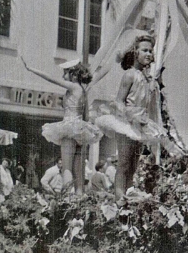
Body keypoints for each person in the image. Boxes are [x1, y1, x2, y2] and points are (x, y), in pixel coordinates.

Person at [95, 34, 176, 198]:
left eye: (150, 51)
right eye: (144, 50)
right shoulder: (130, 74)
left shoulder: (148, 79)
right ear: (135, 53)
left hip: (141, 124)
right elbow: (118, 101)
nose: (149, 54)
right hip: (127, 123)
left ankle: (129, 193)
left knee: (133, 165)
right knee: (124, 162)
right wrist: (130, 116)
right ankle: (119, 198)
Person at [21, 56, 109, 194]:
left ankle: (67, 199)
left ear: (73, 74)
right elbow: (85, 114)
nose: (63, 76)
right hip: (80, 129)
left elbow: (51, 78)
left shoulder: (74, 86)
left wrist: (31, 69)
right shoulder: (83, 90)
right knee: (78, 169)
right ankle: (79, 199)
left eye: (66, 72)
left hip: (70, 127)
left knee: (67, 166)